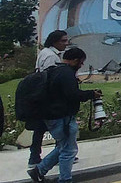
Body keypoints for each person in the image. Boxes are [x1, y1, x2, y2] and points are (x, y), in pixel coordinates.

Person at [27, 48, 100, 183]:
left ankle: (38, 171)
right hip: (62, 117)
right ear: (75, 60)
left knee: (64, 146)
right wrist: (91, 94)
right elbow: (72, 95)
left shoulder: (55, 70)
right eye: (81, 62)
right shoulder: (67, 74)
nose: (81, 65)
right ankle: (65, 180)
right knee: (69, 151)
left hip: (53, 116)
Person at [28, 30, 70, 170]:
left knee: (40, 128)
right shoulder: (51, 57)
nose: (66, 43)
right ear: (54, 41)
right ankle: (60, 154)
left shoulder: (45, 53)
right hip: (49, 98)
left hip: (41, 96)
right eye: (63, 41)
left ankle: (34, 157)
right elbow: (51, 78)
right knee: (60, 128)